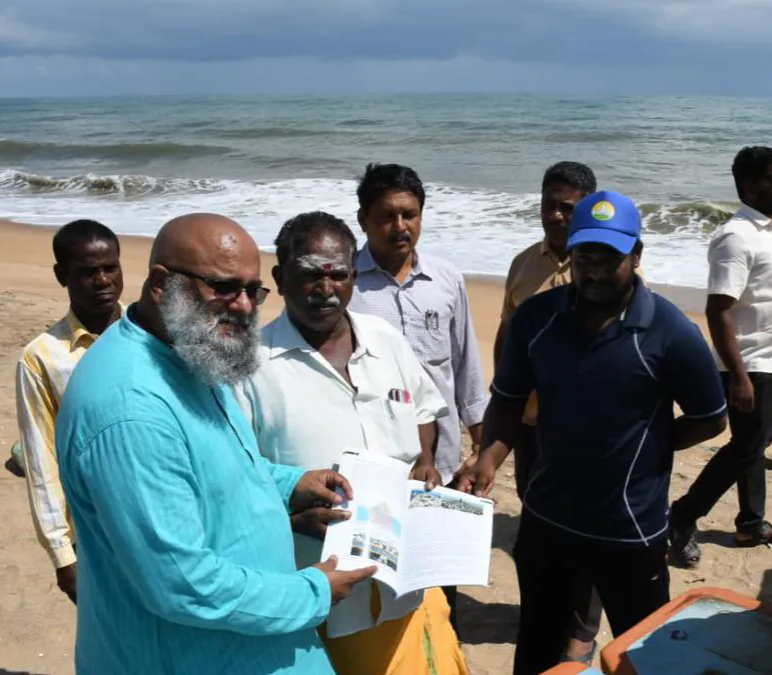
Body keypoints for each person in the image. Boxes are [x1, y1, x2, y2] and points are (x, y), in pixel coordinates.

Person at [55, 213, 377, 675]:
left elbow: (216, 464)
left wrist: (291, 484)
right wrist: (314, 591)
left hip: (253, 645)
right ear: (162, 284)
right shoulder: (130, 409)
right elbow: (182, 583)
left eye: (252, 290)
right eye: (223, 287)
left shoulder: (193, 346)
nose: (244, 306)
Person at [459, 190, 728, 675]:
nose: (597, 270)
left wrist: (652, 441)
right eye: (586, 257)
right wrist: (488, 459)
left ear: (637, 255)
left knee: (642, 653)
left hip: (630, 529)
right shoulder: (536, 320)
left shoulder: (671, 332)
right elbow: (508, 399)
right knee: (538, 642)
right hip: (547, 519)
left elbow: (712, 416)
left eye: (611, 258)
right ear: (572, 254)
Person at [234, 211, 468, 675]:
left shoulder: (386, 341)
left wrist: (425, 462)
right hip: (321, 598)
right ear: (280, 278)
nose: (325, 288)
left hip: (410, 586)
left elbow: (423, 411)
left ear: (353, 277)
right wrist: (294, 516)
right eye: (309, 275)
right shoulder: (250, 366)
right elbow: (235, 479)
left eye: (337, 274)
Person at [668, 146, 772, 569]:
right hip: (750, 361)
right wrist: (737, 375)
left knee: (753, 446)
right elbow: (718, 309)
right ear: (749, 186)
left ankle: (750, 522)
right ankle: (684, 516)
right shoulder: (735, 237)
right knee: (748, 445)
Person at [348, 163, 488, 627]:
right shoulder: (345, 285)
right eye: (387, 216)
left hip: (442, 459)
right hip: (375, 459)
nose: (400, 226)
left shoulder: (446, 280)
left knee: (439, 573)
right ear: (363, 219)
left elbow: (465, 362)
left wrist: (480, 441)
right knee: (377, 575)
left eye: (410, 214)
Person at [492, 160, 606, 664]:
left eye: (569, 206)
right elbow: (507, 337)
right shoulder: (523, 264)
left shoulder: (607, 264)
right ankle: (546, 608)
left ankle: (581, 635)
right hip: (532, 424)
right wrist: (502, 404)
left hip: (587, 431)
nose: (556, 215)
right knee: (538, 525)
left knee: (589, 532)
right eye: (549, 204)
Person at [15, 218, 123, 604]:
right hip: (94, 531)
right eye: (88, 272)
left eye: (110, 268)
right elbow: (40, 459)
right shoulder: (43, 357)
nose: (102, 281)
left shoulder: (148, 335)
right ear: (62, 276)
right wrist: (62, 554)